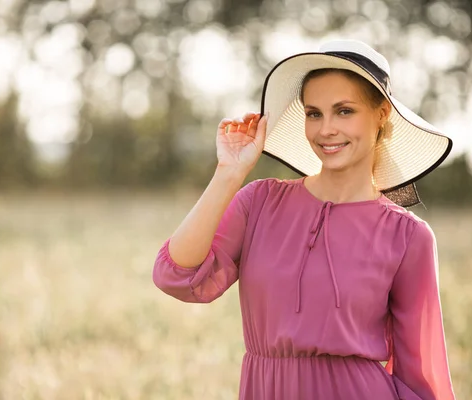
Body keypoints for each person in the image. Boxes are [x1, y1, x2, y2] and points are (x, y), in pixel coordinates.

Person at [152, 39, 456, 400]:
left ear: (381, 115)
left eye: (344, 111)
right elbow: (177, 275)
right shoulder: (260, 202)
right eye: (314, 113)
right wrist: (228, 174)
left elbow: (421, 374)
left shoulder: (407, 236)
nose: (326, 129)